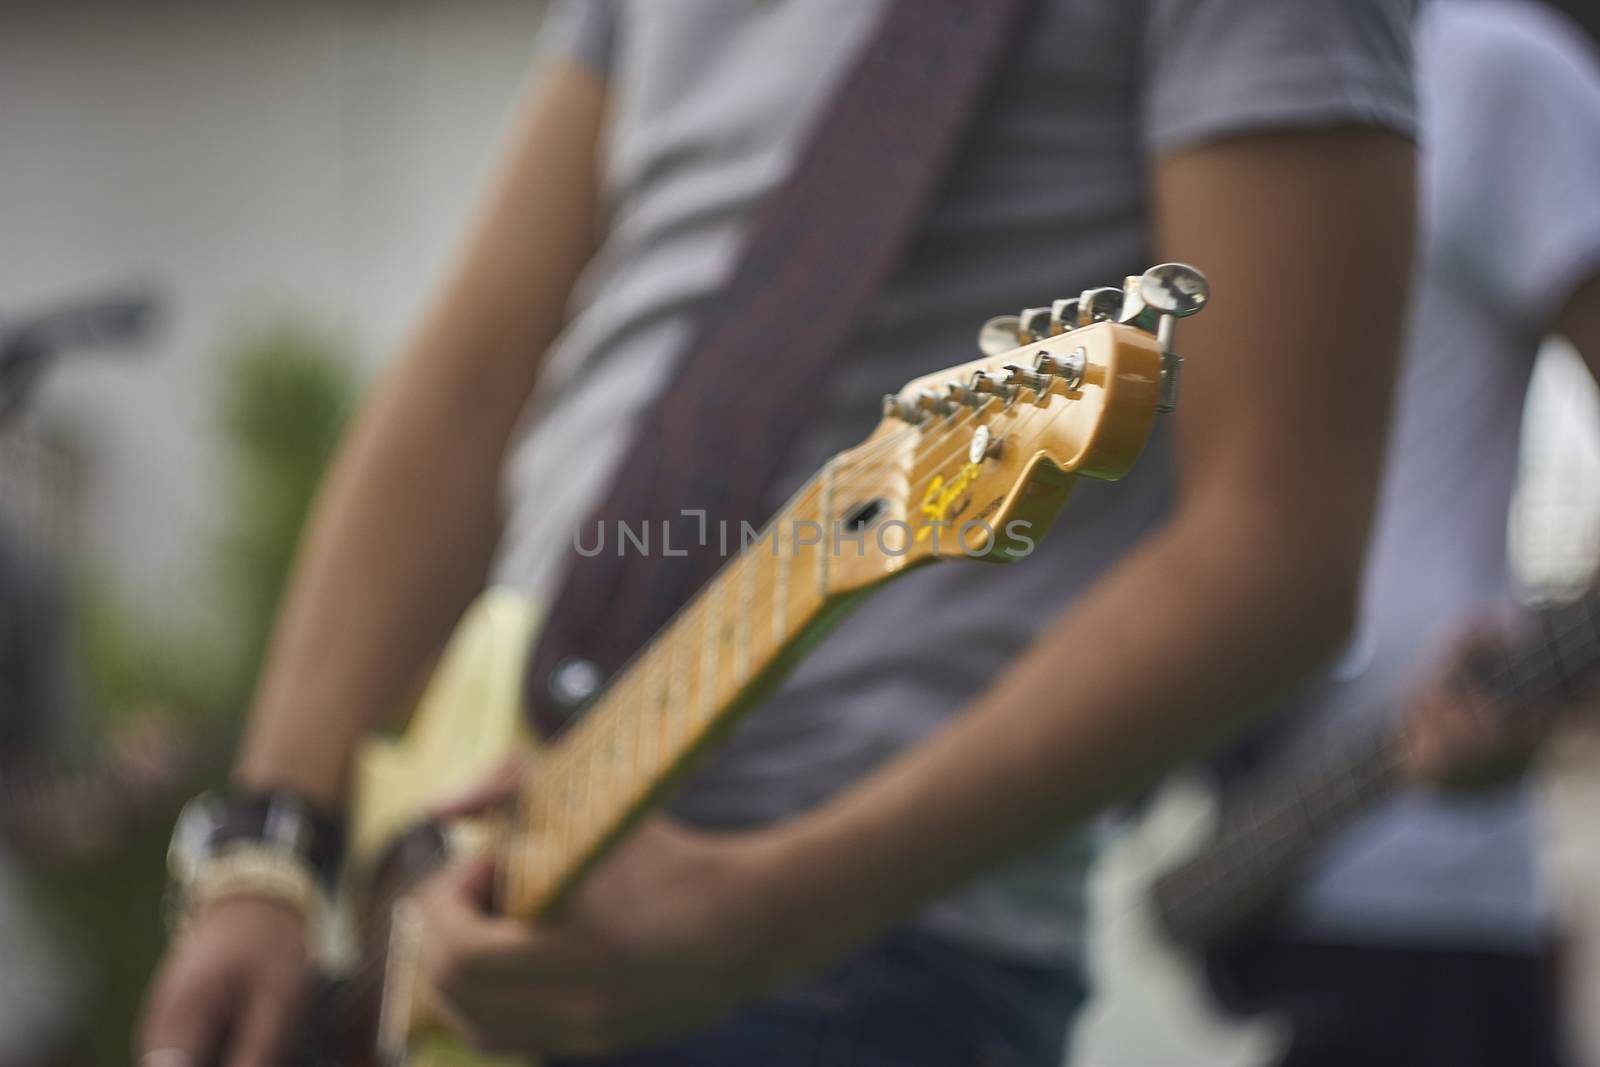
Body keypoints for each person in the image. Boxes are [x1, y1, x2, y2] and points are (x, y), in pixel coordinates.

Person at [137, 2, 1420, 1064]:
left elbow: (1280, 544)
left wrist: (771, 908)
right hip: (463, 861)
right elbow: (472, 371)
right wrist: (275, 847)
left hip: (862, 961)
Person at [1196, 2, 1600, 1064]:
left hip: (1421, 888)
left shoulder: (1486, 66)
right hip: (1217, 853)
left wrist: (1546, 690)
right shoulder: (1175, 84)